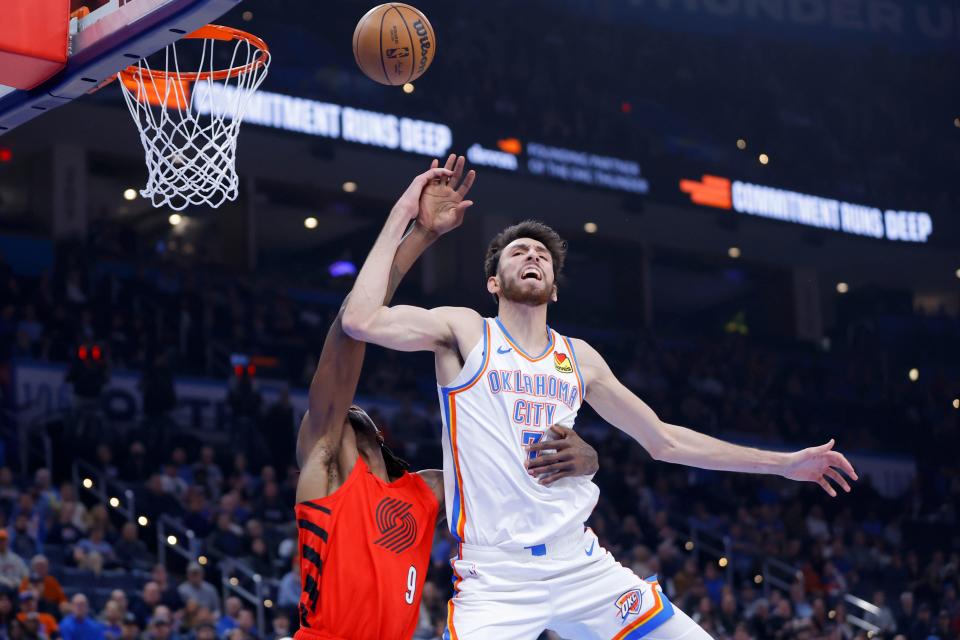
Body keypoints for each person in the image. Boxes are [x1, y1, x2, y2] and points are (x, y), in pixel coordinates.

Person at [342, 155, 860, 639]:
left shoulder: (580, 358)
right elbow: (360, 320)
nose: (532, 257)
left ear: (555, 287)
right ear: (493, 283)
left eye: (541, 255)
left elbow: (665, 441)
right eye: (518, 252)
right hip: (495, 578)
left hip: (581, 566)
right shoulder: (466, 330)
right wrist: (406, 216)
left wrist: (785, 463)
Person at [292, 168, 599, 640]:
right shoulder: (327, 467)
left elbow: (510, 467)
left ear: (379, 436)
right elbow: (350, 326)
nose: (342, 414)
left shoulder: (427, 491)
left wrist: (589, 458)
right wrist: (414, 231)